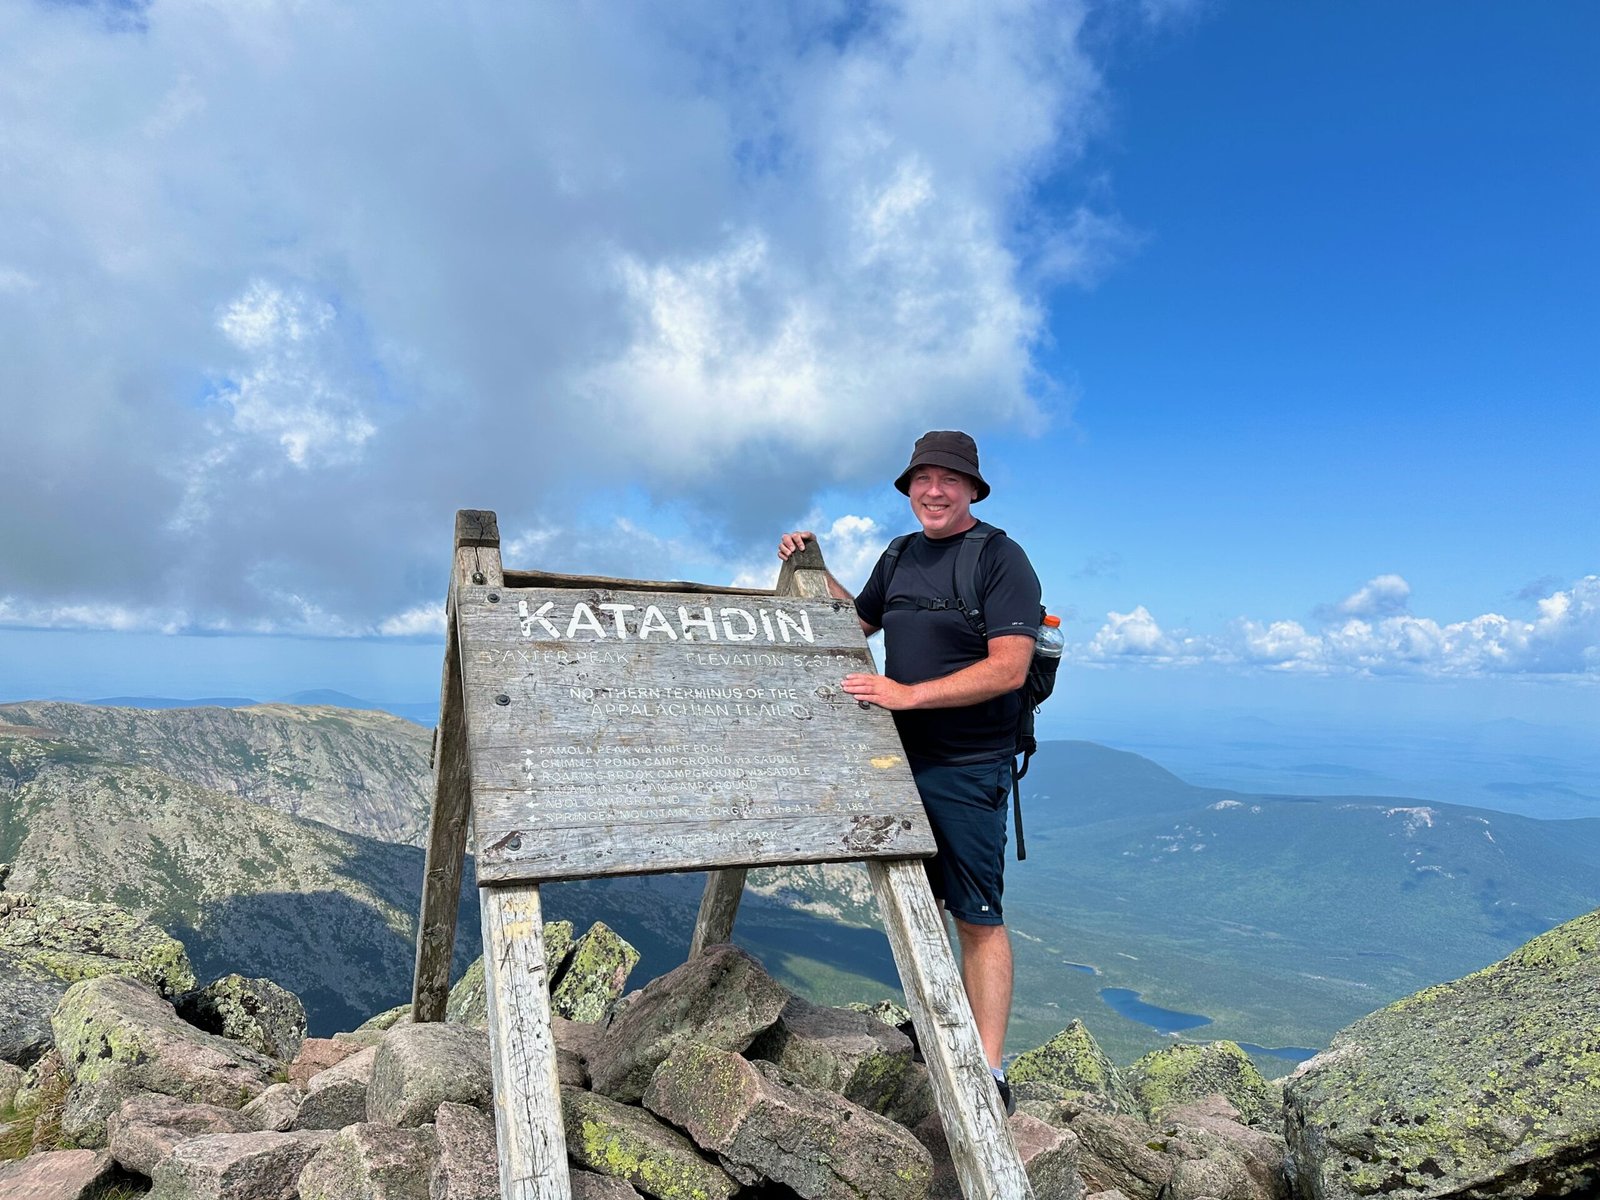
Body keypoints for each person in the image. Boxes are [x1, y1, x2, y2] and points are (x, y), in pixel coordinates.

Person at [778, 429, 1041, 1114]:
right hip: (901, 760)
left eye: (948, 480)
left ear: (973, 489)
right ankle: (935, 1034)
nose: (933, 490)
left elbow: (1010, 667)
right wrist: (810, 565)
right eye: (922, 479)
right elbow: (857, 621)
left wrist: (908, 695)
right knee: (919, 903)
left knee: (976, 914)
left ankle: (988, 1069)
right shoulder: (898, 555)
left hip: (968, 765)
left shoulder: (1002, 560)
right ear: (909, 489)